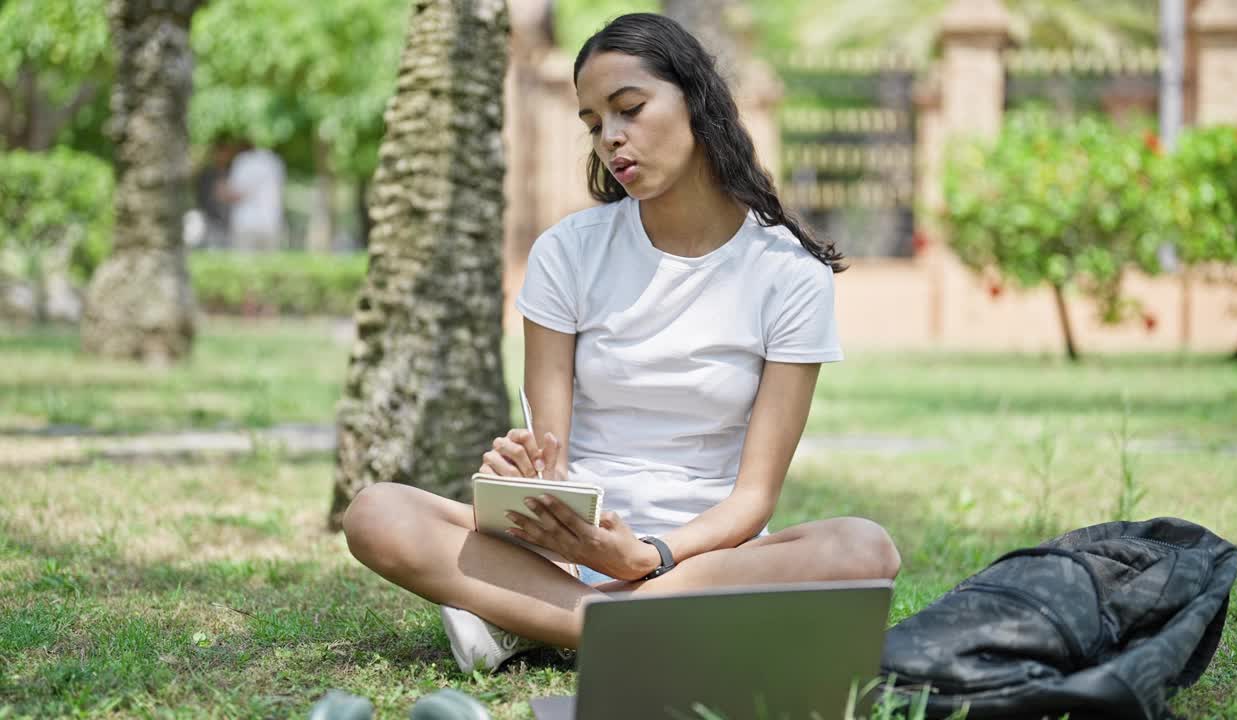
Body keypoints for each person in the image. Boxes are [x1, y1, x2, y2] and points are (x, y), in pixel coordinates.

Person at [341, 13, 901, 674]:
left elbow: (753, 500)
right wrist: (524, 479)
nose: (611, 138)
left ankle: (548, 620)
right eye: (593, 123)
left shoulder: (789, 273)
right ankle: (621, 622)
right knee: (378, 513)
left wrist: (651, 556)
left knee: (865, 551)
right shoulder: (568, 252)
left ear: (695, 100)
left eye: (629, 109)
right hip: (570, 541)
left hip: (700, 559)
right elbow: (552, 455)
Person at [219, 140, 286, 251]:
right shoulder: (275, 161)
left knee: (244, 264)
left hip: (246, 223)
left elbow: (237, 193)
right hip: (271, 222)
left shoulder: (242, 161)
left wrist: (222, 191)